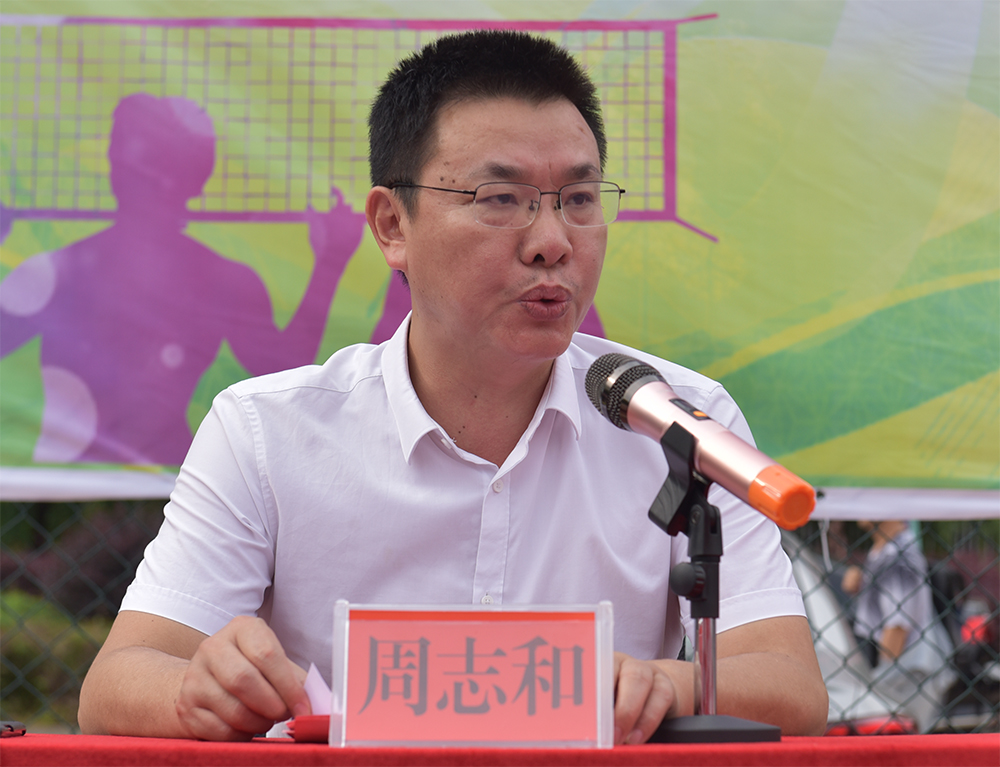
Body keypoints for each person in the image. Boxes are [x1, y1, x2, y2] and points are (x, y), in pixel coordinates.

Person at [78, 30, 828, 742]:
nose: (552, 242)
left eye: (579, 199)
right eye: (500, 199)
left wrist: (670, 683)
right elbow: (117, 681)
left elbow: (791, 684)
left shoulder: (676, 421)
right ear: (391, 225)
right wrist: (197, 689)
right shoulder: (266, 431)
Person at [0, 93, 366, 465]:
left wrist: (331, 261)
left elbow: (284, 370)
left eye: (146, 160)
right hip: (79, 482)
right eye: (121, 152)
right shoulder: (58, 271)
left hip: (167, 481)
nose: (125, 167)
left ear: (190, 178)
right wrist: (330, 262)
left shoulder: (222, 280)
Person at [841, 520, 955, 732]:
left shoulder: (897, 556)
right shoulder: (886, 550)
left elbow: (897, 626)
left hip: (906, 673)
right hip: (910, 670)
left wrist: (880, 679)